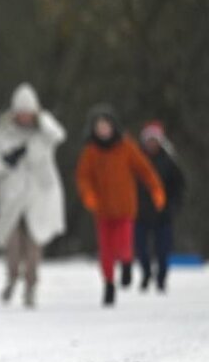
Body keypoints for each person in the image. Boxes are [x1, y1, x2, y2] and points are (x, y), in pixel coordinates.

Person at [0, 83, 66, 308]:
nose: (25, 117)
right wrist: (6, 161)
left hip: (38, 194)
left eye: (29, 113)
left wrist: (42, 120)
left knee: (34, 243)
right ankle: (12, 278)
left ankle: (31, 285)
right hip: (12, 196)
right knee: (12, 244)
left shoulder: (44, 133)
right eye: (21, 112)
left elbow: (59, 135)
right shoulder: (3, 132)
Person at [75, 105, 164, 307]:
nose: (103, 131)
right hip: (102, 210)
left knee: (124, 244)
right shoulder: (90, 152)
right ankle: (108, 284)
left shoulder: (126, 147)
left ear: (113, 127)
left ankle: (126, 263)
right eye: (99, 127)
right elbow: (83, 178)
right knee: (106, 251)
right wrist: (88, 195)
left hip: (125, 208)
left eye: (106, 126)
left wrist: (156, 189)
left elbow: (145, 170)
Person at [134, 121, 186, 292]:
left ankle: (162, 277)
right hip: (140, 212)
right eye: (149, 140)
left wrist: (173, 206)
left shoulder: (169, 161)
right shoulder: (136, 159)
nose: (151, 143)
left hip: (163, 213)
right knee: (140, 248)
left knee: (163, 249)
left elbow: (179, 186)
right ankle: (146, 273)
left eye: (154, 140)